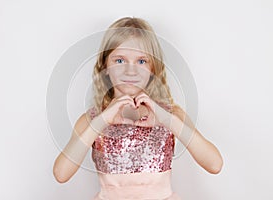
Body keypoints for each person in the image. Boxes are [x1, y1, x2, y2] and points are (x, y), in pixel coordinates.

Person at [53, 17, 223, 200]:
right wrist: (101, 122)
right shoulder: (93, 119)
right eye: (119, 60)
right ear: (105, 67)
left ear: (153, 69)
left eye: (141, 61)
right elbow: (61, 174)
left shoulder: (170, 114)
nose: (130, 71)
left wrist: (168, 120)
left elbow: (214, 164)